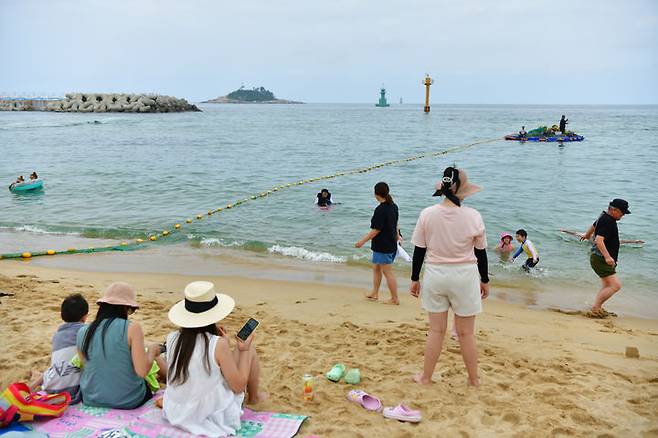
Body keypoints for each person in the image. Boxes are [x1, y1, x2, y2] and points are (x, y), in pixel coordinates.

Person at [409, 167, 489, 387]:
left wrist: (415, 278)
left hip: (436, 275)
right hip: (465, 276)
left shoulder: (427, 214)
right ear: (463, 189)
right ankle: (473, 380)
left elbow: (419, 250)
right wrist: (485, 280)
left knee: (436, 331)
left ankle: (425, 378)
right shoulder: (473, 215)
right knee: (466, 334)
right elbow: (480, 253)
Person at [164, 281, 266, 437]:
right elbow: (238, 386)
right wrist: (243, 350)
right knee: (249, 349)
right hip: (208, 415)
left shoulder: (172, 338)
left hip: (176, 410)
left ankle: (254, 396)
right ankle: (254, 397)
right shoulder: (217, 344)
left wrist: (222, 342)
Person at [76, 282, 167, 409]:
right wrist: (152, 351)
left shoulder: (83, 332)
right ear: (126, 307)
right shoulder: (132, 328)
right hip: (128, 400)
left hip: (91, 398)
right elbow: (142, 372)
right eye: (132, 310)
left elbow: (89, 366)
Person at [29, 294, 89, 403]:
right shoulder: (87, 331)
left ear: (62, 315)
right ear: (85, 316)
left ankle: (34, 380)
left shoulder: (57, 336)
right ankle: (37, 376)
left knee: (56, 368)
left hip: (52, 387)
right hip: (75, 391)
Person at [580, 199, 630, 316]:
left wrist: (587, 235)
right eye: (622, 213)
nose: (623, 215)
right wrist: (607, 257)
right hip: (601, 258)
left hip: (598, 258)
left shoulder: (604, 216)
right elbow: (598, 240)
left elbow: (594, 224)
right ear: (614, 210)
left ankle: (597, 307)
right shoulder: (608, 221)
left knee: (608, 285)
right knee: (615, 286)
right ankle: (596, 308)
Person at [355, 182, 401, 305]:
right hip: (389, 243)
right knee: (376, 267)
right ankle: (374, 293)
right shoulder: (393, 206)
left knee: (387, 271)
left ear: (376, 194)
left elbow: (376, 230)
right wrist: (398, 235)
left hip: (384, 245)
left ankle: (395, 298)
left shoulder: (381, 209)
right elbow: (396, 223)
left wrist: (362, 241)